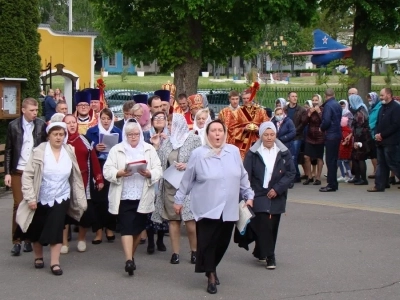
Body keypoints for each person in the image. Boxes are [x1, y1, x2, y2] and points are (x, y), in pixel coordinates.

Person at [174, 120, 254, 294]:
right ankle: (210, 274)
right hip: (207, 207)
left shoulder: (233, 151)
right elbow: (187, 179)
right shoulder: (198, 154)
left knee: (222, 243)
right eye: (214, 131)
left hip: (228, 208)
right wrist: (179, 200)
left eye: (220, 130)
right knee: (208, 242)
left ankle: (212, 267)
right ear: (207, 134)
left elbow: (242, 175)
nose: (217, 134)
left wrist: (249, 194)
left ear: (225, 133)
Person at [16, 122, 87, 276]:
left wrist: (79, 195)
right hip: (40, 196)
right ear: (48, 135)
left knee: (56, 228)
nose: (58, 137)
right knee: (37, 229)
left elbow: (75, 174)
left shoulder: (69, 150)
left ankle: (55, 262)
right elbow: (28, 176)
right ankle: (38, 257)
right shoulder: (39, 151)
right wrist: (30, 198)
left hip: (61, 196)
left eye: (61, 134)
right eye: (55, 134)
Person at [103, 121, 162, 276]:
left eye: (136, 134)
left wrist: (149, 173)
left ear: (140, 134)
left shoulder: (148, 149)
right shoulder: (117, 150)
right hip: (123, 195)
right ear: (125, 135)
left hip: (143, 195)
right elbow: (107, 170)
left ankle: (131, 256)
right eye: (130, 134)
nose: (133, 137)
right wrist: (119, 173)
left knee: (138, 229)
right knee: (126, 227)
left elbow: (158, 169)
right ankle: (128, 260)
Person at [151, 113, 202, 265]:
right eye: (168, 124)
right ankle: (175, 253)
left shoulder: (193, 139)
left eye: (171, 123)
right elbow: (159, 162)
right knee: (173, 221)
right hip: (170, 186)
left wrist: (187, 166)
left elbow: (201, 160)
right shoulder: (167, 142)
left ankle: (194, 251)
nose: (169, 126)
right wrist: (156, 146)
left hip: (188, 187)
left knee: (190, 222)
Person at [243, 121, 295, 269]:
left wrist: (278, 189)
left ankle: (261, 251)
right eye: (266, 134)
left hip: (276, 194)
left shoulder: (284, 152)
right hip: (259, 193)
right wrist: (248, 195)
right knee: (263, 222)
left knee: (272, 226)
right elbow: (246, 175)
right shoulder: (253, 153)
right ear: (261, 135)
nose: (269, 137)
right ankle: (270, 257)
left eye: (272, 134)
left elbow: (291, 173)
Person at [5, 98, 47, 256]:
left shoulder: (41, 125)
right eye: (32, 110)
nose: (35, 113)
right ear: (23, 110)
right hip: (18, 170)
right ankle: (16, 241)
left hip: (34, 171)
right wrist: (7, 172)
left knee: (32, 204)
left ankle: (29, 238)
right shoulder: (13, 126)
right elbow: (9, 150)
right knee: (18, 204)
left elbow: (44, 148)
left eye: (36, 110)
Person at [60, 114, 104, 253]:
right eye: (68, 123)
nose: (72, 125)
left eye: (74, 122)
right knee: (64, 212)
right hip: (64, 182)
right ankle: (64, 243)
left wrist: (99, 178)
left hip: (83, 181)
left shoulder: (84, 140)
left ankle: (81, 239)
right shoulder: (60, 141)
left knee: (84, 210)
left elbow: (94, 160)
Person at [86, 108, 122, 243]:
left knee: (111, 198)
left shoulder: (117, 132)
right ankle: (98, 231)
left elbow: (122, 149)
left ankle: (110, 228)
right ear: (99, 119)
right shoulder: (92, 131)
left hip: (113, 167)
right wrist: (95, 149)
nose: (106, 121)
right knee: (97, 200)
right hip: (97, 167)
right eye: (103, 118)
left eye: (108, 118)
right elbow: (87, 151)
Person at [144, 112, 169, 253]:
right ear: (152, 121)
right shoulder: (146, 136)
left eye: (162, 118)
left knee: (162, 209)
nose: (159, 121)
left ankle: (160, 239)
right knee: (150, 209)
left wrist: (165, 144)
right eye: (156, 118)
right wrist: (154, 145)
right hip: (150, 177)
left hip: (165, 178)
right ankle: (150, 241)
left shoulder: (171, 138)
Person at [368, 88, 400, 192]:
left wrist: (383, 134)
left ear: (389, 95)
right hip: (380, 140)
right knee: (381, 163)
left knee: (393, 163)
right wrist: (377, 134)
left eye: (382, 95)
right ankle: (380, 185)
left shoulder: (396, 108)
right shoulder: (382, 107)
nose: (380, 97)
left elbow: (395, 125)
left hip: (390, 141)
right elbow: (378, 122)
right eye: (380, 95)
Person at [227, 87, 269, 159]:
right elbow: (232, 129)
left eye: (248, 98)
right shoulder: (237, 112)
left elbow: (267, 126)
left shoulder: (261, 111)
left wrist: (259, 129)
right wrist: (244, 129)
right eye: (244, 98)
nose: (246, 100)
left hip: (258, 142)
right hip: (242, 144)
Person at [319, 88, 342, 192]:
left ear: (325, 95)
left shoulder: (328, 106)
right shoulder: (337, 104)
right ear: (334, 94)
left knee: (330, 160)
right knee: (334, 159)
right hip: (337, 133)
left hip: (331, 135)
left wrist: (322, 127)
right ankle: (334, 183)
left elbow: (327, 120)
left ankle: (331, 184)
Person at [283, 92, 307, 183]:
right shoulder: (285, 109)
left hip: (297, 136)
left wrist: (294, 132)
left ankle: (294, 176)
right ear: (288, 98)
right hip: (287, 136)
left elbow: (303, 123)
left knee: (294, 156)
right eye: (292, 96)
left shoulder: (301, 110)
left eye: (296, 96)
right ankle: (294, 174)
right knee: (287, 156)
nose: (295, 98)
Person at [347, 95, 371, 185]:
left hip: (361, 139)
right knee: (355, 157)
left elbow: (360, 128)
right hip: (358, 137)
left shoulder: (360, 113)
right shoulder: (358, 111)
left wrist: (357, 141)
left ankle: (363, 179)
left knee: (360, 158)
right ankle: (357, 177)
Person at [303, 94, 325, 186]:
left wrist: (319, 112)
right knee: (306, 156)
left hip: (320, 137)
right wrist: (309, 114)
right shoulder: (309, 110)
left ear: (320, 101)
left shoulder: (323, 110)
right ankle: (309, 176)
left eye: (316, 100)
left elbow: (324, 122)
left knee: (319, 157)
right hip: (310, 136)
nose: (315, 101)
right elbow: (304, 122)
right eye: (313, 100)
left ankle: (318, 177)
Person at [367, 92, 381, 179]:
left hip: (375, 132)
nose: (369, 100)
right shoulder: (371, 107)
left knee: (376, 154)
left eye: (370, 99)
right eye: (368, 99)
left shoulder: (379, 107)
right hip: (370, 133)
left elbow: (376, 120)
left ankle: (378, 171)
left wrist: (369, 127)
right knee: (372, 154)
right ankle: (375, 170)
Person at [337, 116, 354, 182]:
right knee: (345, 163)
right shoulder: (348, 131)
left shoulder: (344, 132)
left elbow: (345, 142)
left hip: (342, 150)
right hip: (345, 151)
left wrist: (343, 143)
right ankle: (349, 176)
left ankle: (344, 175)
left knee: (340, 162)